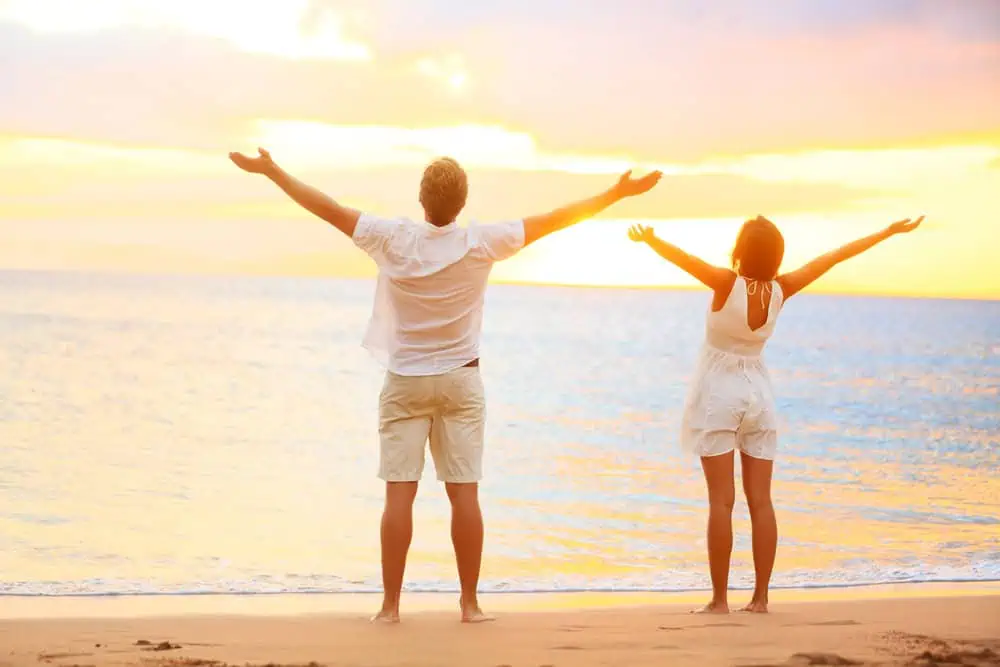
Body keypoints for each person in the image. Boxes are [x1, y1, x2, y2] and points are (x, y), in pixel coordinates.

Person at [229, 147, 661, 622]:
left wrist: (272, 172)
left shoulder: (391, 239)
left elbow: (326, 207)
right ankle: (470, 605)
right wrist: (617, 193)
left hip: (406, 383)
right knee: (464, 494)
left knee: (399, 495)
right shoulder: (482, 242)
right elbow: (558, 219)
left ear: (421, 197)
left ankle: (390, 608)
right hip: (461, 381)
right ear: (463, 200)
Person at [627, 214, 923, 614]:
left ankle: (719, 601)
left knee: (721, 502)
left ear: (740, 251)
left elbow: (685, 260)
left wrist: (652, 240)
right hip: (759, 395)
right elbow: (834, 257)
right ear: (776, 255)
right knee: (761, 501)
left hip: (719, 394)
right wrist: (887, 231)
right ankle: (761, 599)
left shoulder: (725, 283)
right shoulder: (783, 288)